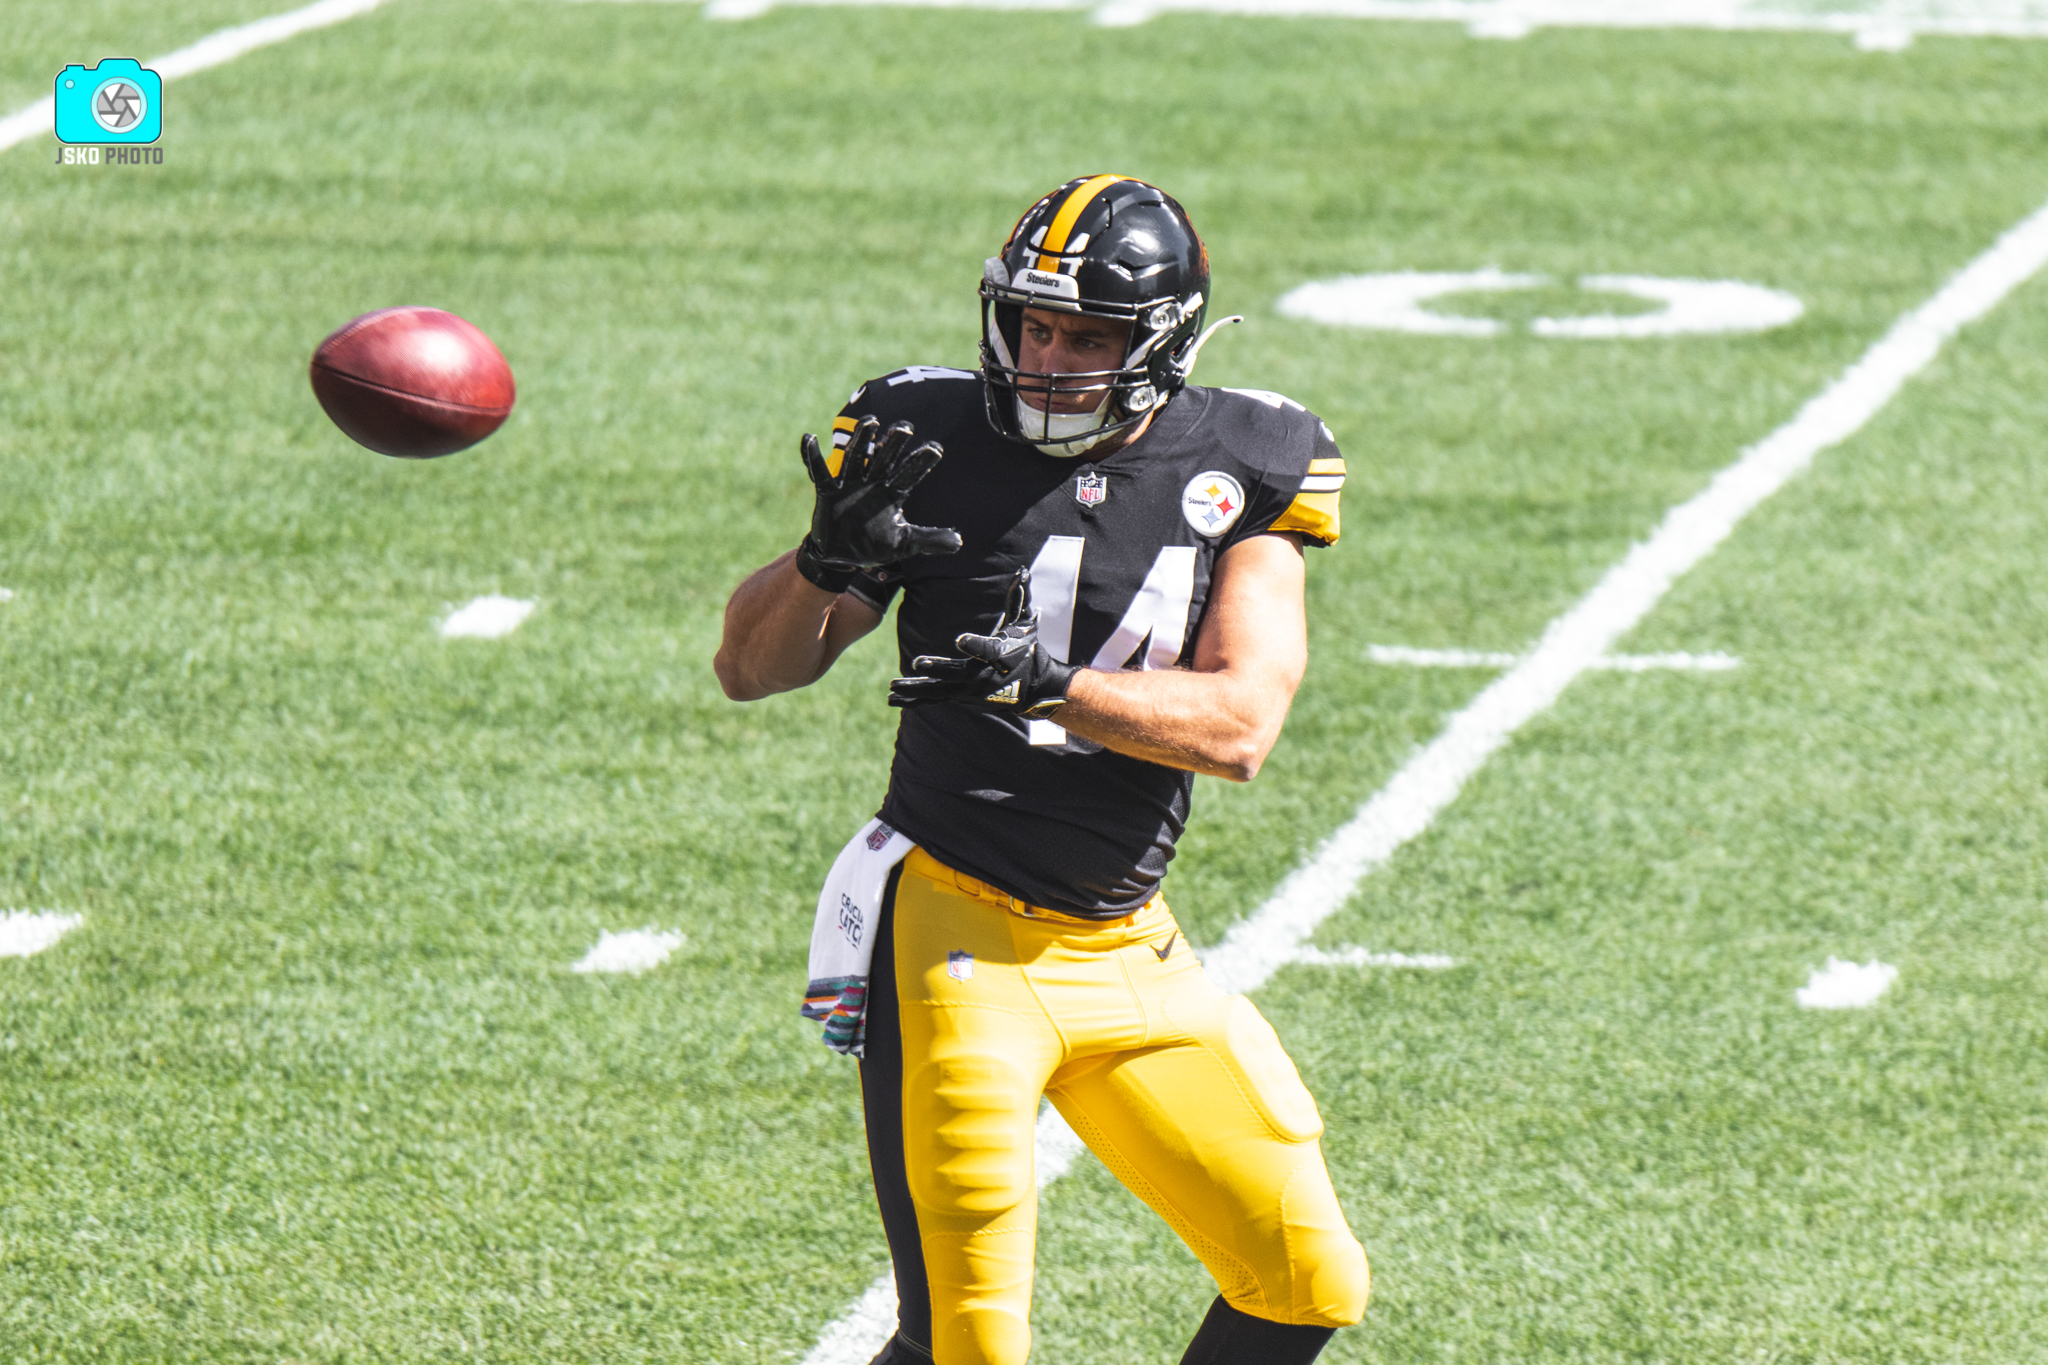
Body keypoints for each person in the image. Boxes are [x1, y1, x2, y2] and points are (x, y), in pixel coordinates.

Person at [714, 174, 1367, 1365]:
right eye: (1036, 325)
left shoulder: (1252, 455)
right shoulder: (925, 430)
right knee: (966, 1347)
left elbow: (1239, 727)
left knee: (1303, 1279)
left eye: (1088, 336)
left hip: (1128, 946)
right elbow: (749, 670)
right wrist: (819, 562)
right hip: (951, 936)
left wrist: (1049, 684)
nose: (1050, 357)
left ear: (1160, 340)